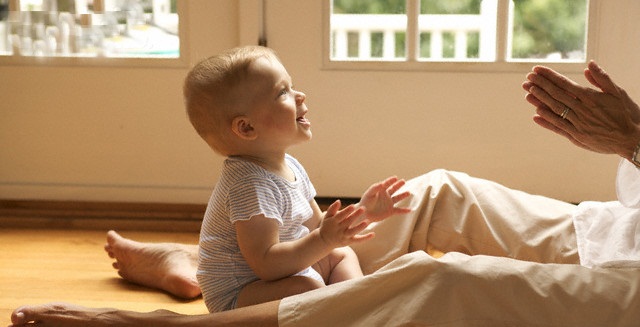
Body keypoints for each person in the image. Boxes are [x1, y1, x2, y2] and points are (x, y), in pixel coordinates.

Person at [10, 60, 640, 327]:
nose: (302, 98)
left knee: (438, 283)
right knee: (438, 192)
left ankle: (166, 319)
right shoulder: (254, 175)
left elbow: (311, 229)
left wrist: (635, 140)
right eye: (285, 92)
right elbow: (312, 226)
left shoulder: (270, 167)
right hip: (627, 229)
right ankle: (214, 263)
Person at [185, 45, 412, 312]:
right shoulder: (249, 185)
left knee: (340, 255)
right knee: (308, 289)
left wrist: (361, 214)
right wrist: (324, 241)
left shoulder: (288, 164)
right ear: (247, 127)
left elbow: (318, 227)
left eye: (291, 87)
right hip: (240, 295)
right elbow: (267, 265)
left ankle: (359, 308)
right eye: (283, 92)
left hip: (285, 274)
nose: (300, 95)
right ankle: (348, 311)